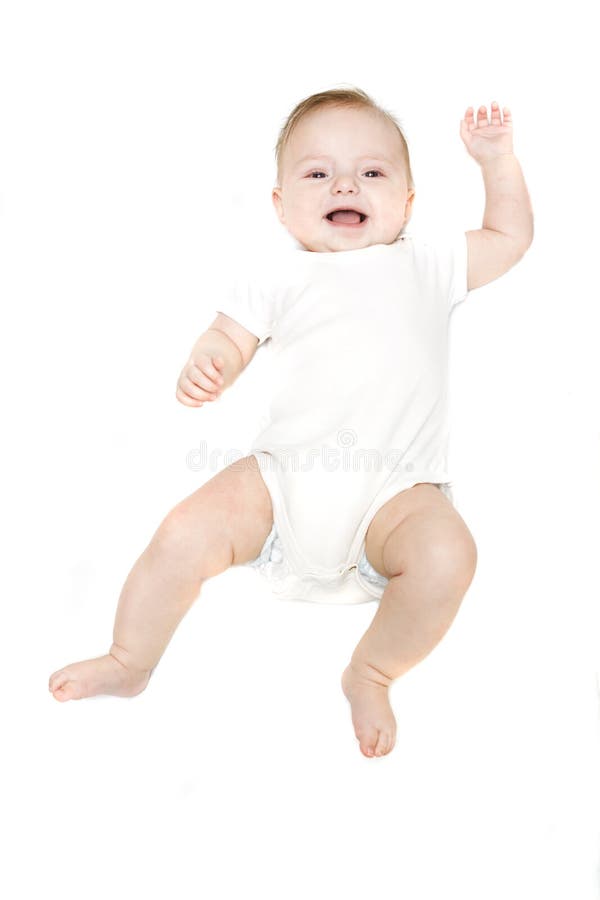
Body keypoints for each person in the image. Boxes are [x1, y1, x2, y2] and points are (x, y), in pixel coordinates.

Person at [48, 87, 533, 759]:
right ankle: (129, 658)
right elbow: (228, 337)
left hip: (394, 498)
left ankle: (371, 671)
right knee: (184, 532)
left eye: (372, 171)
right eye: (317, 172)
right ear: (281, 205)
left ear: (409, 202)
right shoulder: (277, 275)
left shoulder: (427, 262)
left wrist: (496, 163)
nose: (345, 183)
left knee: (450, 554)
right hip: (280, 488)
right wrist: (208, 363)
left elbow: (510, 239)